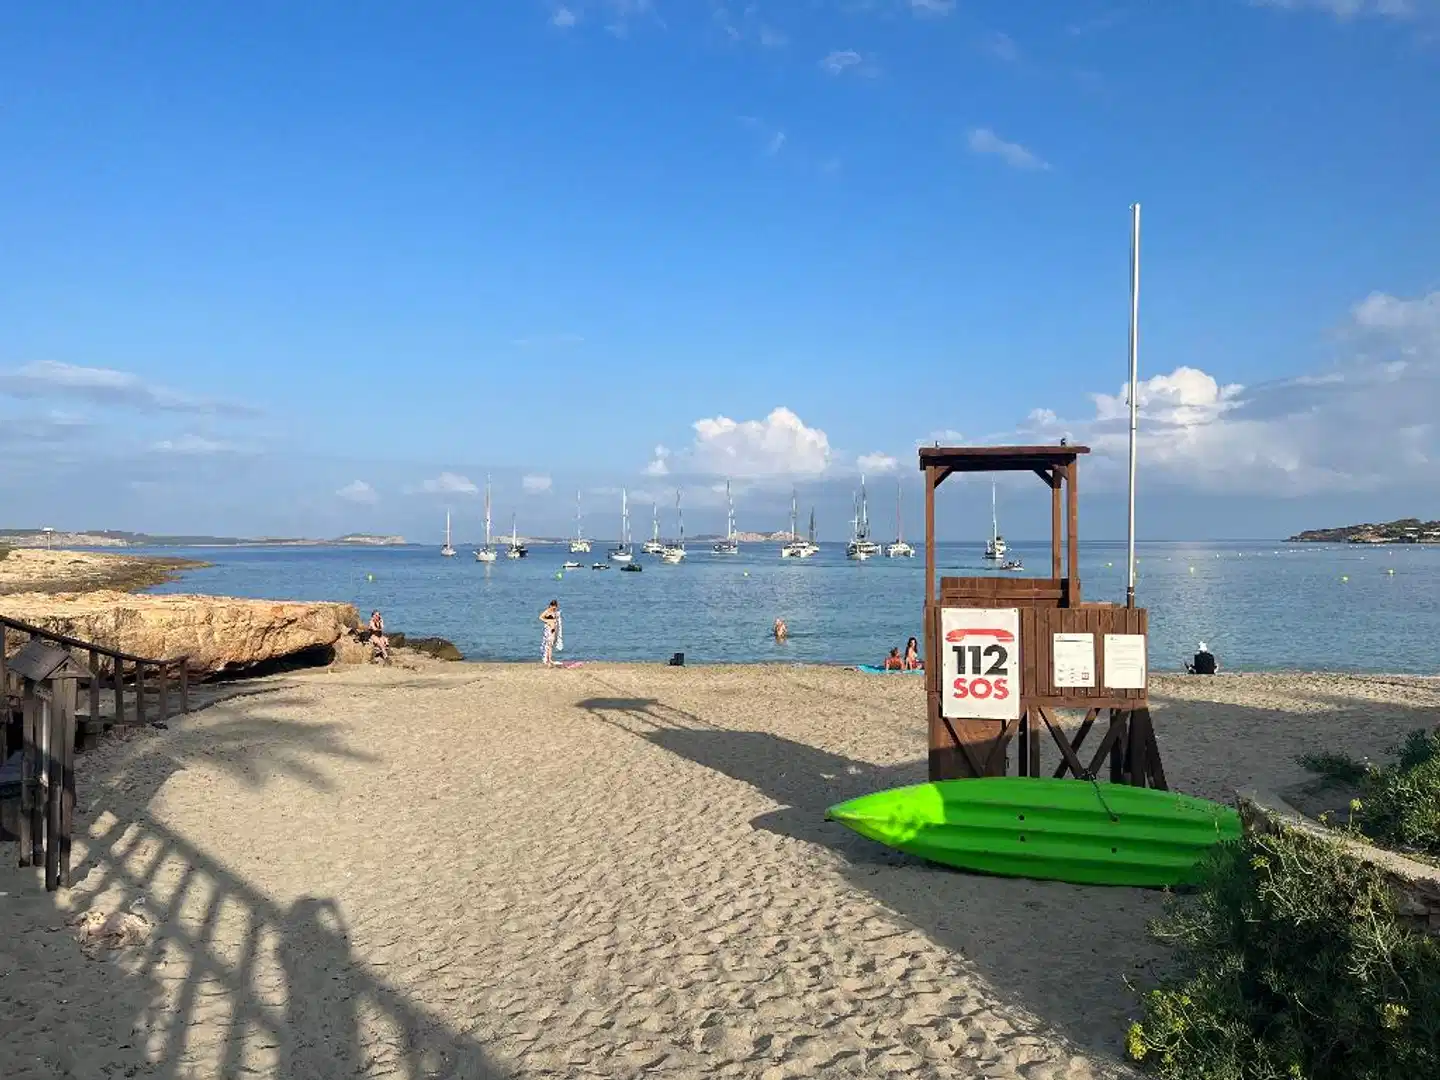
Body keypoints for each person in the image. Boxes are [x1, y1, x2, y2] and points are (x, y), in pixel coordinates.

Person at [540, 600, 561, 666]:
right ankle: (549, 660)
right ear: (551, 605)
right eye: (554, 607)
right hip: (549, 629)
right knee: (549, 644)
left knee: (551, 645)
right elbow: (540, 617)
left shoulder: (554, 611)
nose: (554, 608)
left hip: (554, 629)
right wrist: (548, 621)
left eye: (556, 607)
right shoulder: (547, 611)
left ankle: (549, 659)